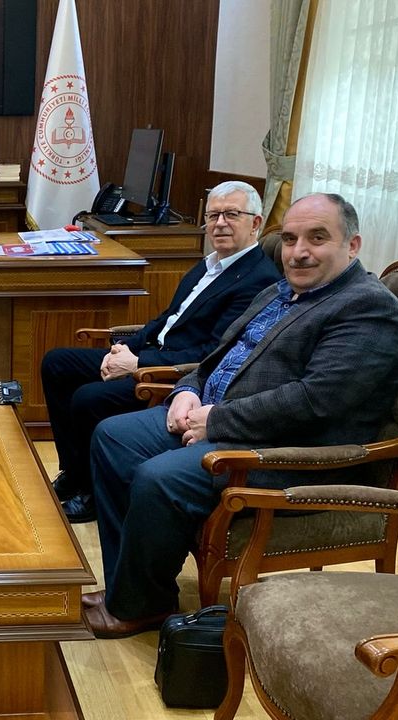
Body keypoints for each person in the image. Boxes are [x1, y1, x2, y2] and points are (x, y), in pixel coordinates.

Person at [83, 193, 398, 639]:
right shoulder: (280, 291)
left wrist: (215, 421)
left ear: (352, 245)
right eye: (290, 239)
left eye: (317, 238)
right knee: (113, 437)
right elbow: (216, 357)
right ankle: (136, 589)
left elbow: (315, 401)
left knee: (159, 478)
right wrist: (186, 391)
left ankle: (136, 606)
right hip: (218, 418)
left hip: (289, 450)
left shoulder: (367, 308)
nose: (298, 252)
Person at [42, 181, 280, 523]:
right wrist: (125, 348)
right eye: (213, 216)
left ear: (255, 223)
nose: (220, 224)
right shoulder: (210, 264)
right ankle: (76, 473)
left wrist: (138, 363)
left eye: (231, 214)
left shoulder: (257, 279)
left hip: (173, 373)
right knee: (57, 363)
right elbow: (167, 318)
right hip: (149, 353)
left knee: (87, 398)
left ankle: (92, 493)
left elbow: (213, 352)